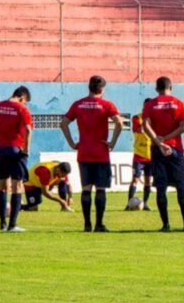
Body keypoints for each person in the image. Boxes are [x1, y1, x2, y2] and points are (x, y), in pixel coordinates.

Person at [61, 75, 123, 233]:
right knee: (100, 189)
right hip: (100, 152)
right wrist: (113, 141)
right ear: (102, 89)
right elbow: (119, 122)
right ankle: (99, 224)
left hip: (84, 152)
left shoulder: (78, 104)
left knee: (86, 189)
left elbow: (64, 123)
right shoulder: (106, 104)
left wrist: (71, 143)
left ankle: (87, 224)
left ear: (89, 87)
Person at [142, 76, 184, 232]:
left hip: (157, 150)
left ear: (156, 88)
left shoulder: (151, 104)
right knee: (181, 188)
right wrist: (167, 139)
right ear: (170, 88)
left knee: (161, 189)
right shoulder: (179, 103)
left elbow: (145, 125)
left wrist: (159, 142)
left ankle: (165, 225)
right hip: (176, 149)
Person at [0, 86, 33, 232]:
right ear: (22, 98)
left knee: (2, 186)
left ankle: (2, 223)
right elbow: (28, 130)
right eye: (25, 102)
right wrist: (26, 149)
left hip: (1, 150)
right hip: (16, 150)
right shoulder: (22, 109)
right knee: (17, 186)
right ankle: (13, 225)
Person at [129, 99, 153, 212]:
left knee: (148, 181)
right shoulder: (136, 118)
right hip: (139, 155)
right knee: (135, 179)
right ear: (143, 106)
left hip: (151, 156)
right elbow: (141, 129)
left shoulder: (154, 119)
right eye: (146, 107)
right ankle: (129, 203)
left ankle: (146, 203)